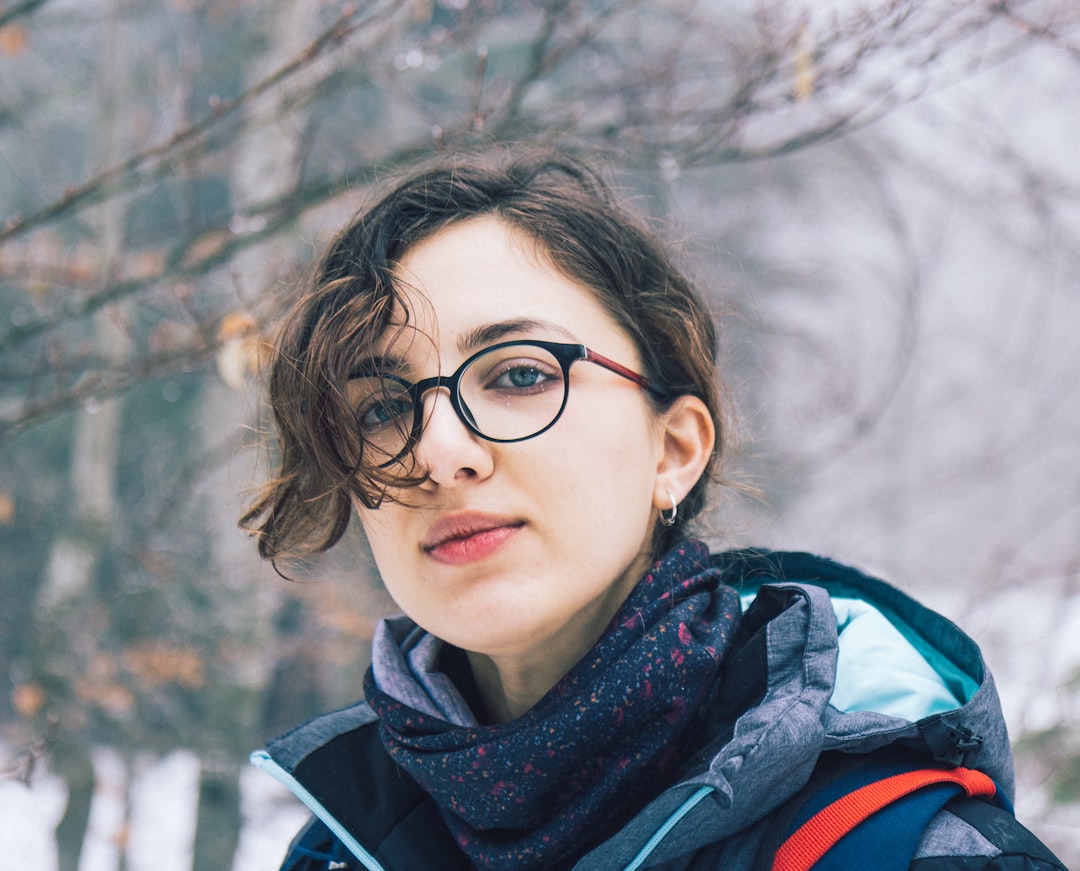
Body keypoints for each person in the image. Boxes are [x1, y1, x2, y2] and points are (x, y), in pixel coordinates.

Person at [241, 149, 1066, 871]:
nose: (437, 450)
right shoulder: (333, 852)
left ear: (673, 449)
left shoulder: (904, 852)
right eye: (383, 407)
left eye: (519, 374)